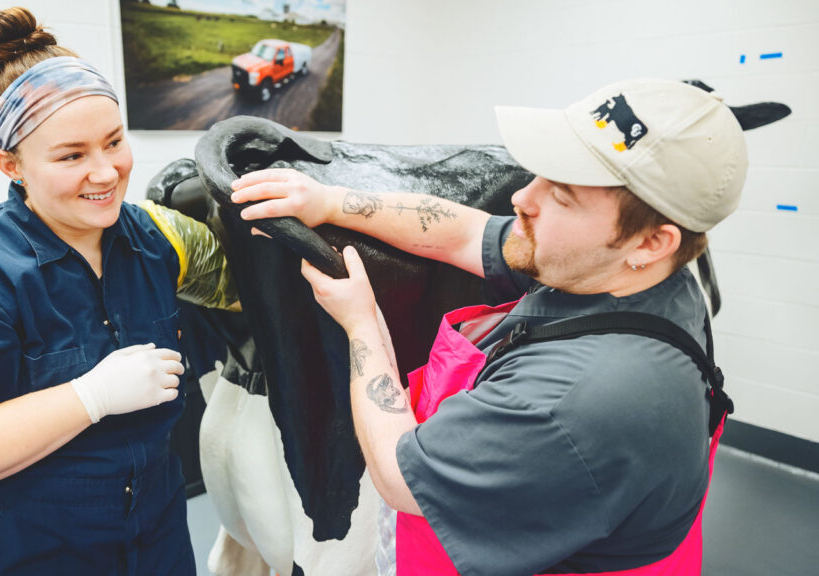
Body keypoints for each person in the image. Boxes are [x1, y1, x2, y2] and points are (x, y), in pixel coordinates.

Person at [230, 78, 744, 575]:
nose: (523, 198)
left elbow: (395, 475)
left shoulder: (573, 401)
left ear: (652, 243)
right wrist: (331, 202)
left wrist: (362, 323)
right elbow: (466, 232)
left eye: (562, 196)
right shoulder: (633, 274)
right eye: (539, 173)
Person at [0, 7, 236, 575]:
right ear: (11, 164)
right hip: (24, 552)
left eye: (114, 141)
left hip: (154, 540)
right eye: (71, 155)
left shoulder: (156, 239)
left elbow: (245, 290)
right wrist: (89, 397)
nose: (106, 172)